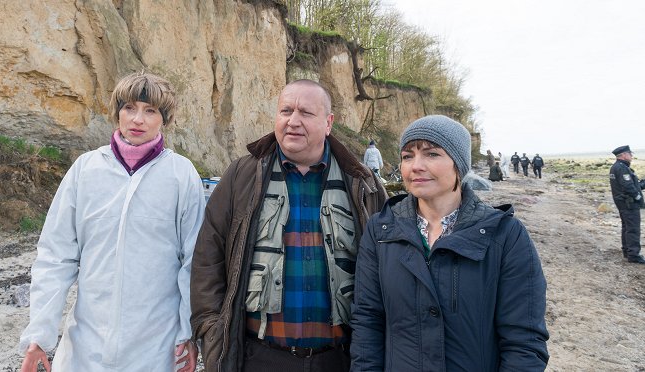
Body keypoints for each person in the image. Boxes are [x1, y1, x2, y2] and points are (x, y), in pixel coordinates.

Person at [190, 79, 388, 372]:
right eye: (285, 111)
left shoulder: (363, 184)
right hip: (258, 358)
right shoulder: (241, 176)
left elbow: (388, 270)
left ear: (328, 122)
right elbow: (208, 259)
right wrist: (211, 331)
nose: (293, 121)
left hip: (340, 360)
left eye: (306, 113)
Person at [19, 72, 204, 371]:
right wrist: (39, 335)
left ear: (164, 119)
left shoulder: (181, 175)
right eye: (129, 108)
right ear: (117, 112)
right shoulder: (86, 169)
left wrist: (188, 333)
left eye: (150, 111)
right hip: (86, 344)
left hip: (155, 346)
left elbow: (194, 262)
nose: (138, 120)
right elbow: (56, 256)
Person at [350, 115, 549, 371]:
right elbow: (367, 321)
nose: (415, 166)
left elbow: (524, 341)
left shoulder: (505, 236)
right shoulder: (381, 231)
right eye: (407, 156)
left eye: (432, 154)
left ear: (459, 165)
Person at [609, 145, 645, 264]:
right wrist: (638, 197)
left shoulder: (616, 167)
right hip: (628, 203)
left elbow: (630, 184)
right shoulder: (622, 168)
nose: (631, 156)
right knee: (633, 229)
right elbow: (628, 186)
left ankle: (627, 251)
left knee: (627, 227)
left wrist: (641, 185)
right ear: (624, 155)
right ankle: (634, 255)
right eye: (630, 154)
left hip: (623, 203)